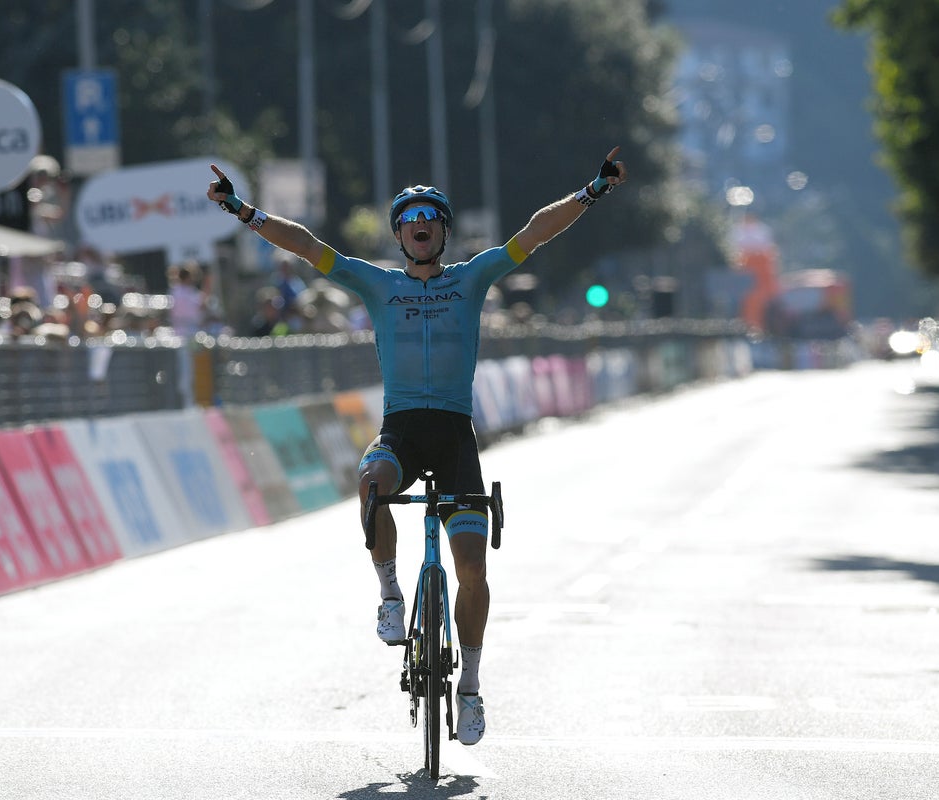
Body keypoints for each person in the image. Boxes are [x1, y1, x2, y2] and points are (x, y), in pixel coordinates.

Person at [207, 148, 627, 746]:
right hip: (401, 429)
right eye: (409, 217)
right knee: (372, 483)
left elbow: (533, 233)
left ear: (443, 232)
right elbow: (304, 244)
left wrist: (592, 190)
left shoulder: (472, 277)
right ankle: (389, 593)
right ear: (400, 233)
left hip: (456, 434)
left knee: (473, 572)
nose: (421, 223)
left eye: (431, 215)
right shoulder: (375, 284)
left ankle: (472, 687)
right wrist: (241, 209)